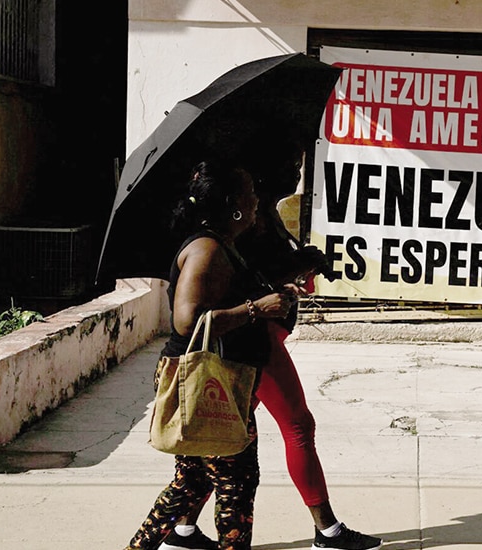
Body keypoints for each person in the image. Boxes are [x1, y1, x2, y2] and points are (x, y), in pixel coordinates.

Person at [167, 132, 381, 550]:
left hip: (260, 337)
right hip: (254, 342)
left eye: (300, 166)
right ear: (264, 171)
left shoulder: (262, 211)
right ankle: (328, 530)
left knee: (219, 440)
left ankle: (181, 528)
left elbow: (262, 271)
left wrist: (303, 263)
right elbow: (241, 283)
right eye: (290, 165)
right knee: (297, 427)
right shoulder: (242, 219)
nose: (297, 174)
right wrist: (274, 288)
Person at [126, 160, 300, 550]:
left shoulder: (224, 244)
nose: (257, 199)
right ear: (232, 204)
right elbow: (187, 321)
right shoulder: (206, 249)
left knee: (192, 481)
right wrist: (257, 309)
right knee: (237, 483)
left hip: (218, 377)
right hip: (208, 381)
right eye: (250, 192)